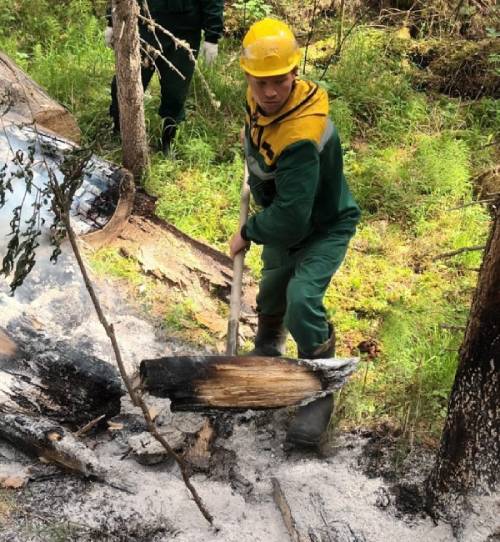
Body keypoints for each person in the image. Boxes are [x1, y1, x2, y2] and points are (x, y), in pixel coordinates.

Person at [229, 18, 361, 449]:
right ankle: (267, 350)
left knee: (302, 299)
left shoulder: (302, 136)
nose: (270, 92)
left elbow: (290, 220)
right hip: (288, 213)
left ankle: (319, 386)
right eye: (260, 81)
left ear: (294, 75)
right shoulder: (262, 103)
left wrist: (249, 230)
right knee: (271, 291)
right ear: (248, 76)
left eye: (279, 81)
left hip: (322, 226)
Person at [105, 0, 224, 154]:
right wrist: (112, 19)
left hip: (185, 30)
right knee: (125, 85)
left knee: (176, 92)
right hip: (143, 25)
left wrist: (212, 36)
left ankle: (168, 140)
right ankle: (120, 132)